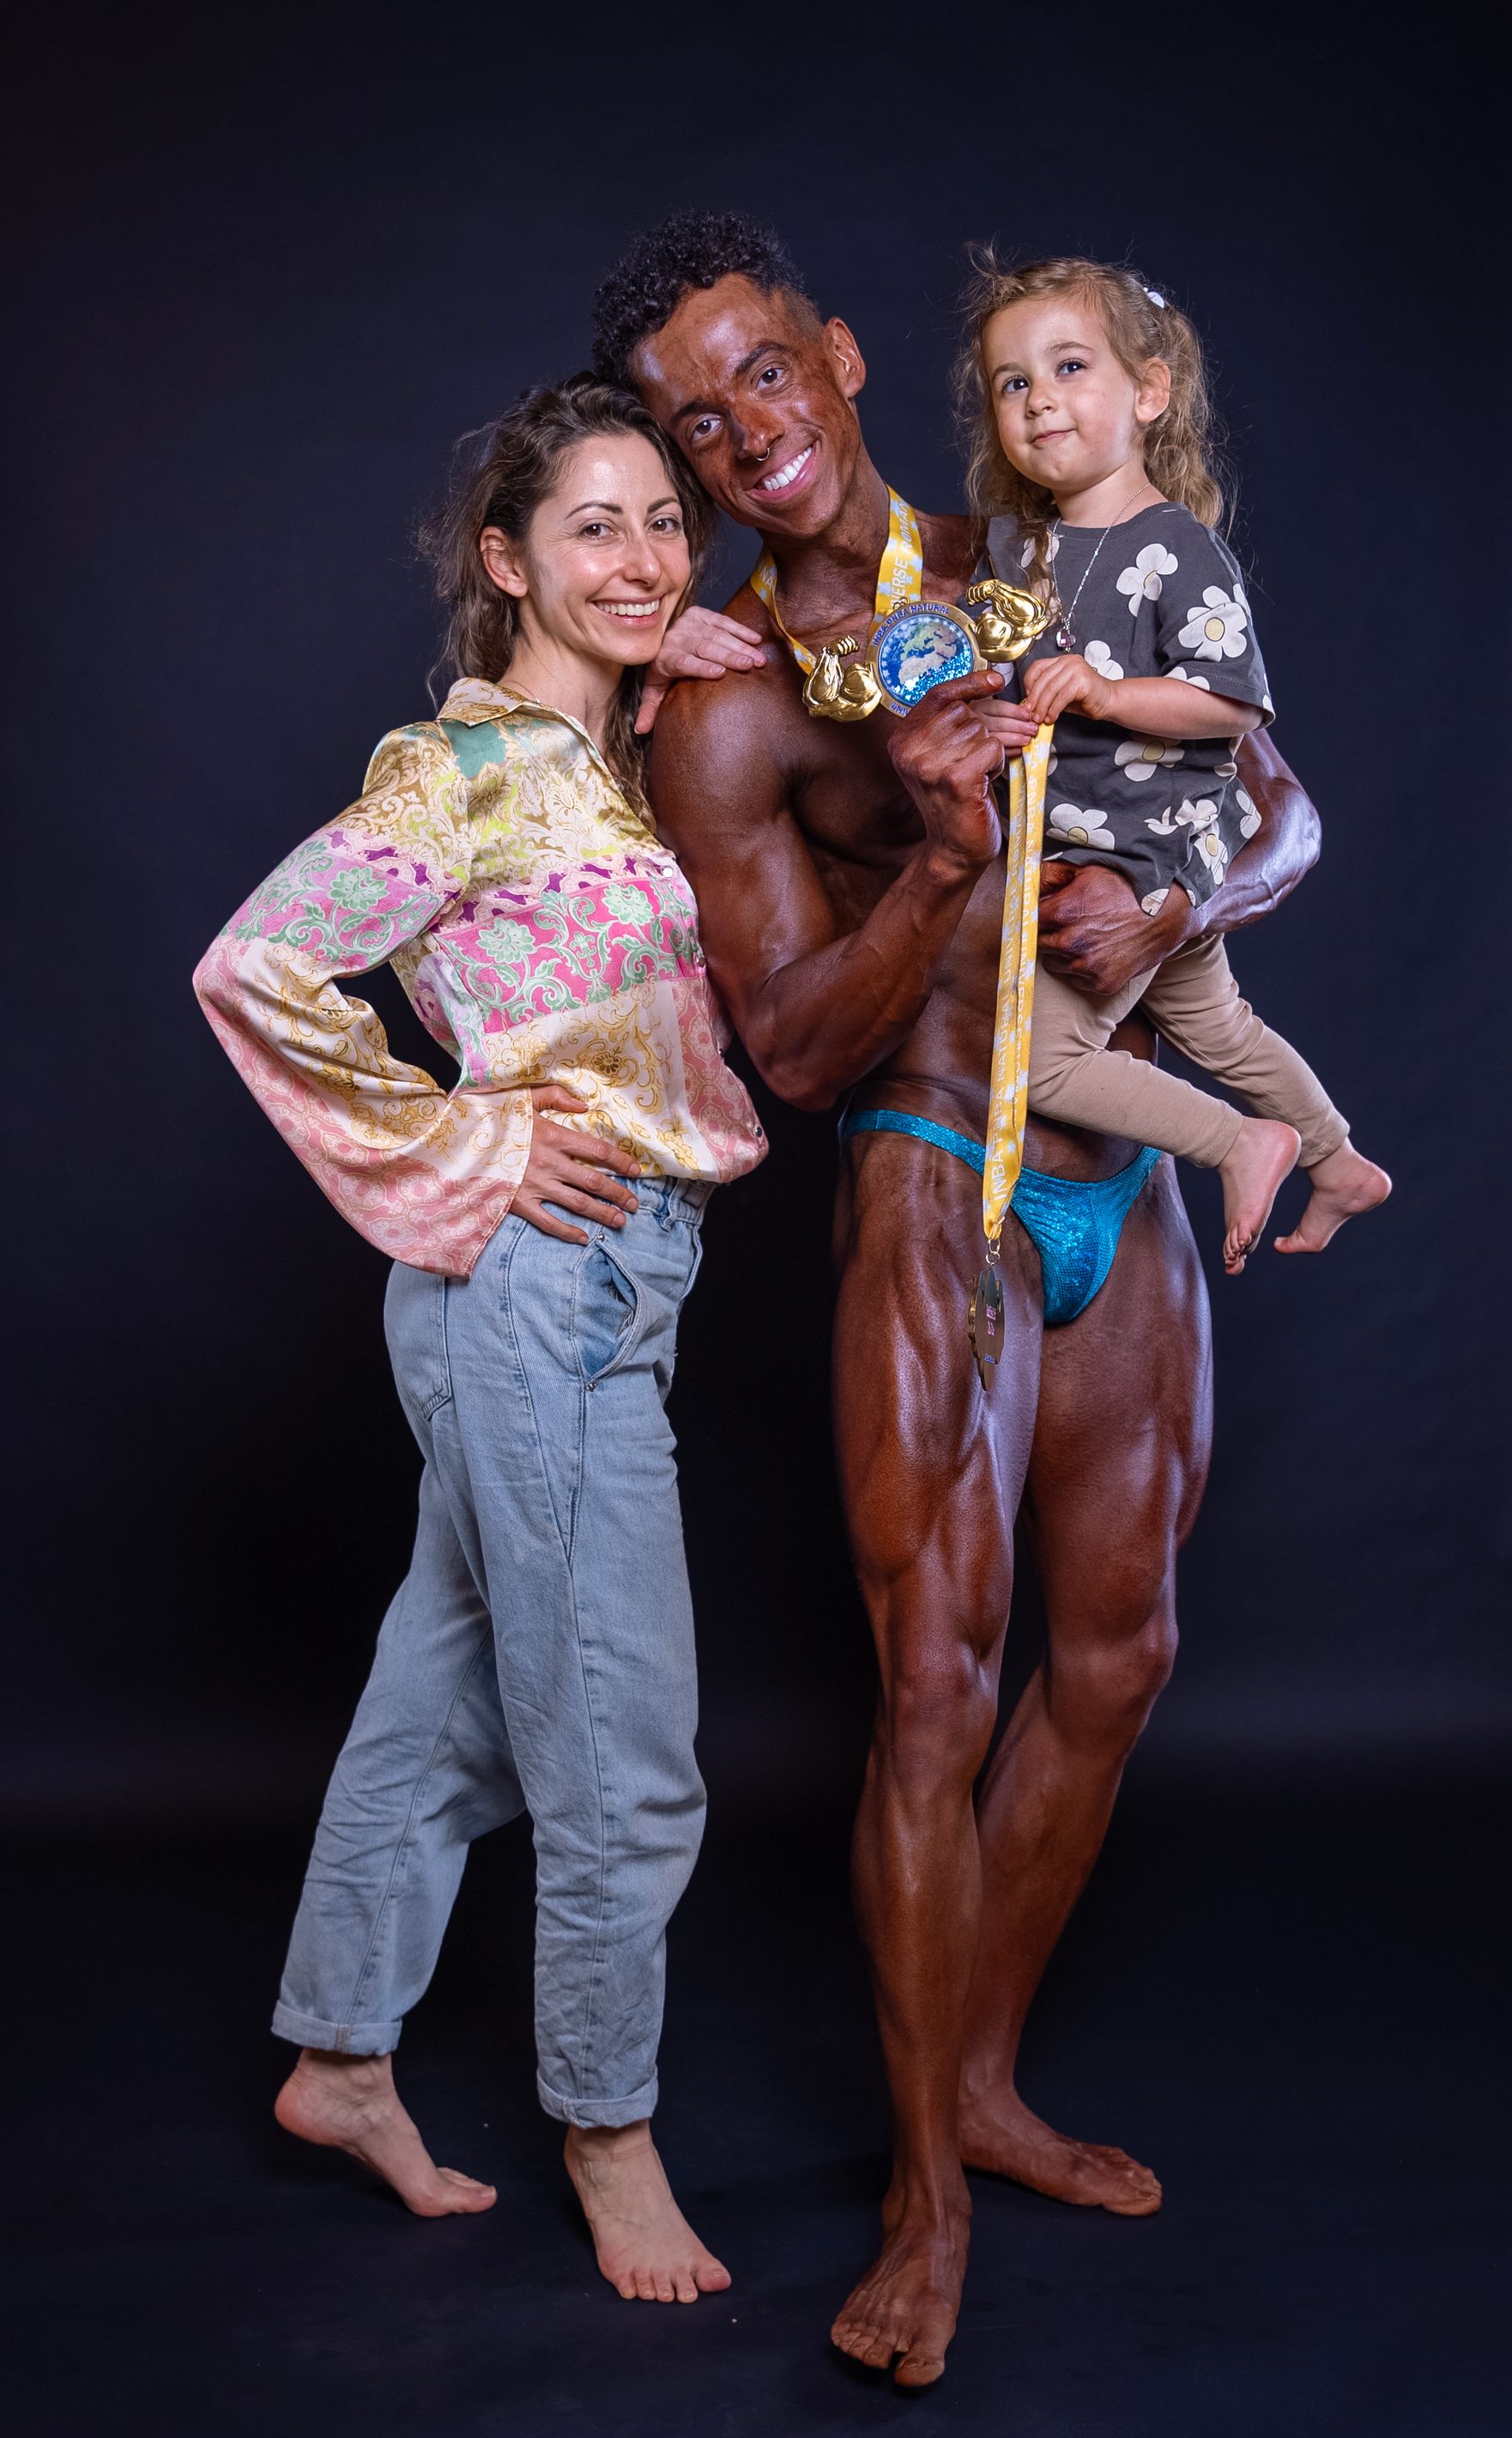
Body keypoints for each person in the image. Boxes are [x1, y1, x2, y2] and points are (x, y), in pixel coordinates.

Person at [592, 211, 1323, 2385]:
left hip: (1122, 1171)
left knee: (1116, 1653)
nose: (743, 430)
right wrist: (934, 859)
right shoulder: (726, 707)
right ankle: (923, 2198)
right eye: (691, 421)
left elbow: (1276, 798)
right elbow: (794, 1048)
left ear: (832, 355)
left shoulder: (1043, 549)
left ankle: (982, 2080)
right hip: (932, 1168)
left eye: (762, 372)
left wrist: (1172, 901)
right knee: (932, 1689)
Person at [193, 374, 766, 2305]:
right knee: (621, 1756)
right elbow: (259, 962)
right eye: (593, 526)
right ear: (505, 560)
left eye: (662, 522)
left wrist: (680, 647)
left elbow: (686, 687)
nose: (642, 556)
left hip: (617, 1284)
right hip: (534, 1289)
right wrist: (472, 1140)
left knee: (441, 1713)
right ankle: (608, 2130)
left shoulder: (607, 758)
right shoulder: (465, 772)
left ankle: (339, 2057)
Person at [959, 253, 1389, 1274]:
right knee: (1221, 1026)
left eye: (1069, 367)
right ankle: (1338, 1160)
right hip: (1074, 835)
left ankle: (1238, 1142)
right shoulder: (1015, 551)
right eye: (1013, 382)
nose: (1038, 399)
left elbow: (1232, 702)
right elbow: (997, 669)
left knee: (1042, 1064)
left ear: (1148, 391)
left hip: (1146, 848)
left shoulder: (1174, 548)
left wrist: (1106, 693)